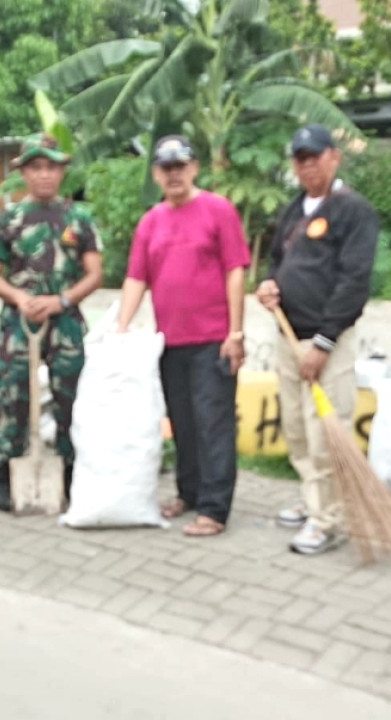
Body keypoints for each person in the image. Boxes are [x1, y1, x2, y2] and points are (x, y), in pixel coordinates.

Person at [116, 135, 250, 537]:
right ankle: (189, 493)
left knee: (214, 424)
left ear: (194, 168)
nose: (174, 175)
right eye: (165, 168)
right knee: (182, 422)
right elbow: (136, 277)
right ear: (156, 174)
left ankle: (214, 508)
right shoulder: (151, 221)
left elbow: (236, 270)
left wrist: (236, 332)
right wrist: (121, 328)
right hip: (168, 342)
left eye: (181, 166)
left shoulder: (218, 210)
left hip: (213, 338)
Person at [256, 124, 379, 555]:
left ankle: (328, 520)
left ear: (334, 157)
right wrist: (269, 286)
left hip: (328, 341)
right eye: (300, 158)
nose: (308, 165)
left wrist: (324, 343)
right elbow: (276, 263)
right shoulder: (294, 209)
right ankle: (313, 499)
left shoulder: (354, 211)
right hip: (288, 338)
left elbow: (354, 280)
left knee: (326, 432)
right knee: (296, 429)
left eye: (315, 156)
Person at [0, 134, 103, 511]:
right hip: (20, 322)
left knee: (73, 399)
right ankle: (5, 473)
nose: (45, 175)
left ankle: (70, 474)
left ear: (62, 171)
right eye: (37, 167)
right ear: (24, 173)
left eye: (52, 166)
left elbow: (94, 273)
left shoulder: (78, 219)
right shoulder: (8, 220)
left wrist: (61, 301)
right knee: (13, 396)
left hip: (65, 322)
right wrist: (20, 298)